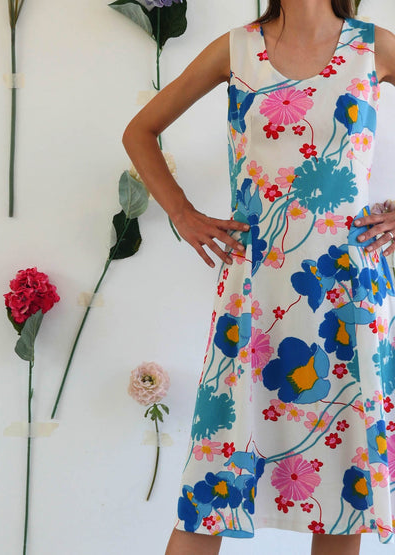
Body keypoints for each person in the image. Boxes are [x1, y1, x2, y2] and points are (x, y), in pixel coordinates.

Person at [122, 1, 395, 553]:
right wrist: (182, 212)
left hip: (347, 289)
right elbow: (140, 131)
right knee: (212, 483)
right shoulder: (238, 47)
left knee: (345, 495)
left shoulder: (376, 46)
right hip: (253, 293)